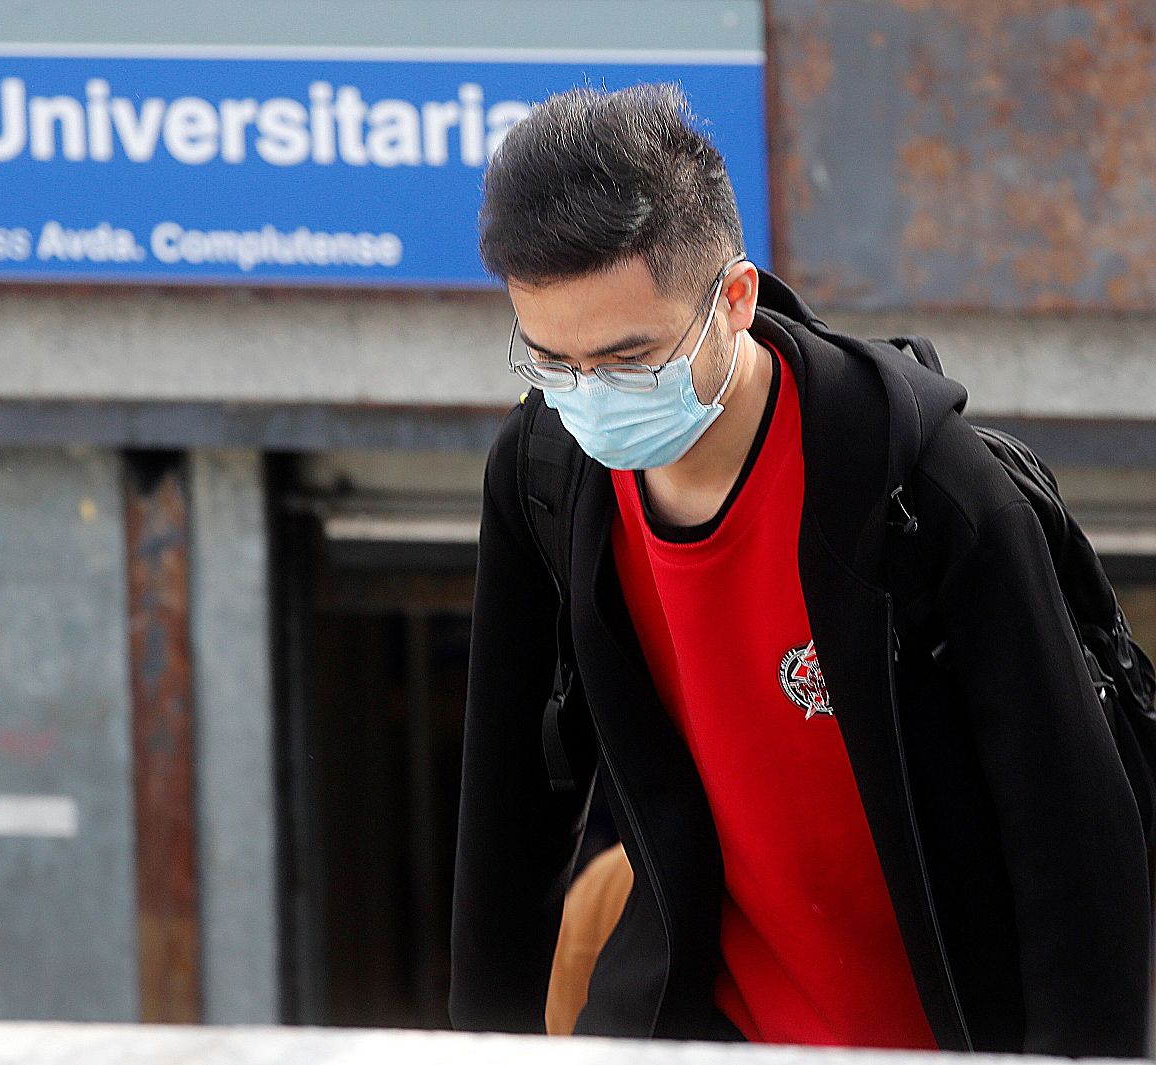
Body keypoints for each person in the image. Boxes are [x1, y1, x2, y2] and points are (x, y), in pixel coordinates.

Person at [449, 85, 1150, 1056]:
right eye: (549, 362)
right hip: (702, 1026)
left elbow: (1072, 846)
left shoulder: (930, 494)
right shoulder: (543, 473)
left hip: (947, 1031)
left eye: (627, 358)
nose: (589, 398)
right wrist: (481, 1044)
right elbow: (509, 807)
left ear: (733, 299)